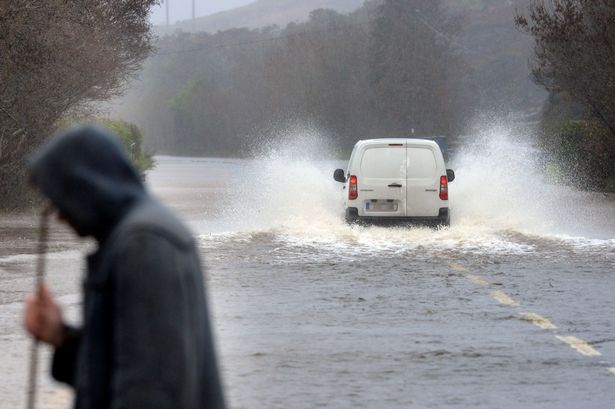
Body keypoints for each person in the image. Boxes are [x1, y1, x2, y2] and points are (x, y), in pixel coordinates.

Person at [23, 125, 226, 409]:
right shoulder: (134, 237)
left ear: (87, 187)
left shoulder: (144, 244)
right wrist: (59, 335)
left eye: (62, 201)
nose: (58, 217)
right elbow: (113, 370)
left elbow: (150, 389)